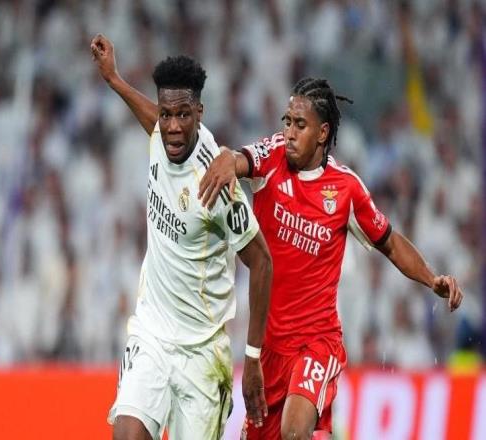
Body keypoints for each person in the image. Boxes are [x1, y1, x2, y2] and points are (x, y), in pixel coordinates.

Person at [92, 36, 464, 439]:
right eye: (286, 122)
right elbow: (239, 159)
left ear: (322, 133)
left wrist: (432, 278)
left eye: (299, 125)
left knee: (294, 430)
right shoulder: (271, 157)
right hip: (269, 349)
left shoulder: (345, 190)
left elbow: (389, 241)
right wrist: (226, 160)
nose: (288, 132)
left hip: (316, 342)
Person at [91, 34, 272, 440]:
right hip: (152, 333)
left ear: (199, 113)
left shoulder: (217, 182)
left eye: (183, 115)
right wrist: (114, 79)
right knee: (127, 434)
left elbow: (261, 261)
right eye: (167, 114)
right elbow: (151, 119)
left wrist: (252, 357)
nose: (172, 127)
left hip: (201, 353)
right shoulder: (160, 134)